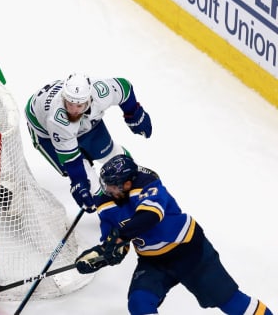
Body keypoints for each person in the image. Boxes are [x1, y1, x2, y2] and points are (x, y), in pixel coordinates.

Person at [74, 155, 274, 315]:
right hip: (153, 261)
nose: (107, 190)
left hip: (189, 251)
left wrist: (119, 237)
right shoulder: (105, 204)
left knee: (232, 302)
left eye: (112, 186)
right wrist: (100, 256)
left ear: (127, 183)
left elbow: (150, 216)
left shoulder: (147, 183)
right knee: (139, 303)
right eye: (106, 185)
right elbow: (115, 244)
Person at [24, 73, 152, 212]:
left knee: (110, 154)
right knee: (89, 183)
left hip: (87, 123)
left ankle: (135, 183)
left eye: (79, 105)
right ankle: (113, 211)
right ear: (63, 98)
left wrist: (134, 114)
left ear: (89, 99)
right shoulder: (57, 120)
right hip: (47, 134)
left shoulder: (101, 92)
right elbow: (72, 160)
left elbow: (124, 88)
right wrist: (79, 182)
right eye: (69, 104)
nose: (73, 110)